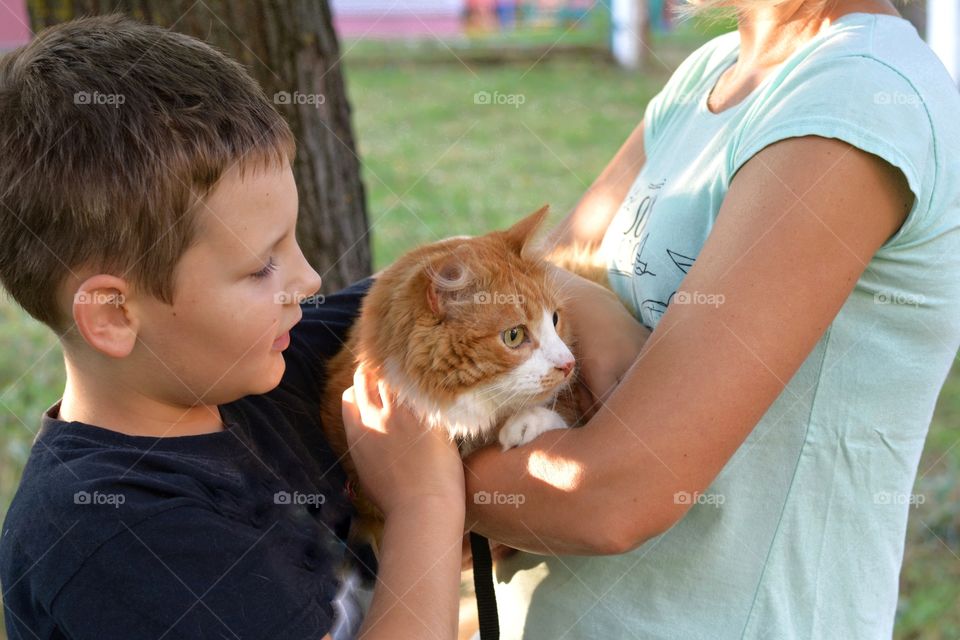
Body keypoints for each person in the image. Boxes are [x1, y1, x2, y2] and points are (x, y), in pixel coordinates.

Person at [446, 0, 960, 637]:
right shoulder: (709, 75)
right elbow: (526, 281)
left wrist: (416, 484)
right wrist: (587, 302)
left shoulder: (857, 92)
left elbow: (611, 496)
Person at [0, 15, 465, 640]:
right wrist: (424, 507)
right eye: (261, 266)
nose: (307, 279)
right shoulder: (114, 534)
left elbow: (478, 269)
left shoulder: (272, 367)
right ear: (113, 314)